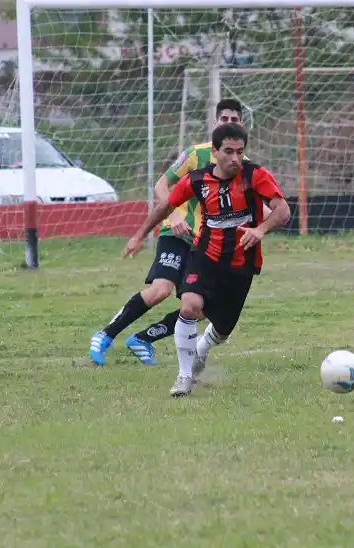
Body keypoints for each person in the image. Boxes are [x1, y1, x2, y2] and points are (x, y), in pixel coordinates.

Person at [89, 99, 269, 366]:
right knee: (161, 290)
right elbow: (162, 186)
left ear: (241, 124)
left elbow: (259, 207)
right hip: (178, 234)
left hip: (209, 245)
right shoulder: (195, 154)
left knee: (204, 308)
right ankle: (105, 335)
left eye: (234, 120)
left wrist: (266, 222)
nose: (229, 124)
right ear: (215, 123)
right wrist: (173, 216)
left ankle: (143, 339)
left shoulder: (244, 166)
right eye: (224, 119)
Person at [122, 123, 290, 397]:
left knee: (222, 331)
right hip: (205, 255)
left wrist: (259, 230)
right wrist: (140, 235)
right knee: (190, 306)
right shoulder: (197, 180)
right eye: (228, 152)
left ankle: (201, 349)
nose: (235, 158)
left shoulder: (255, 175)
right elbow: (166, 205)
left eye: (240, 151)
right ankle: (184, 376)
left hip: (240, 264)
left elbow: (282, 211)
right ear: (215, 152)